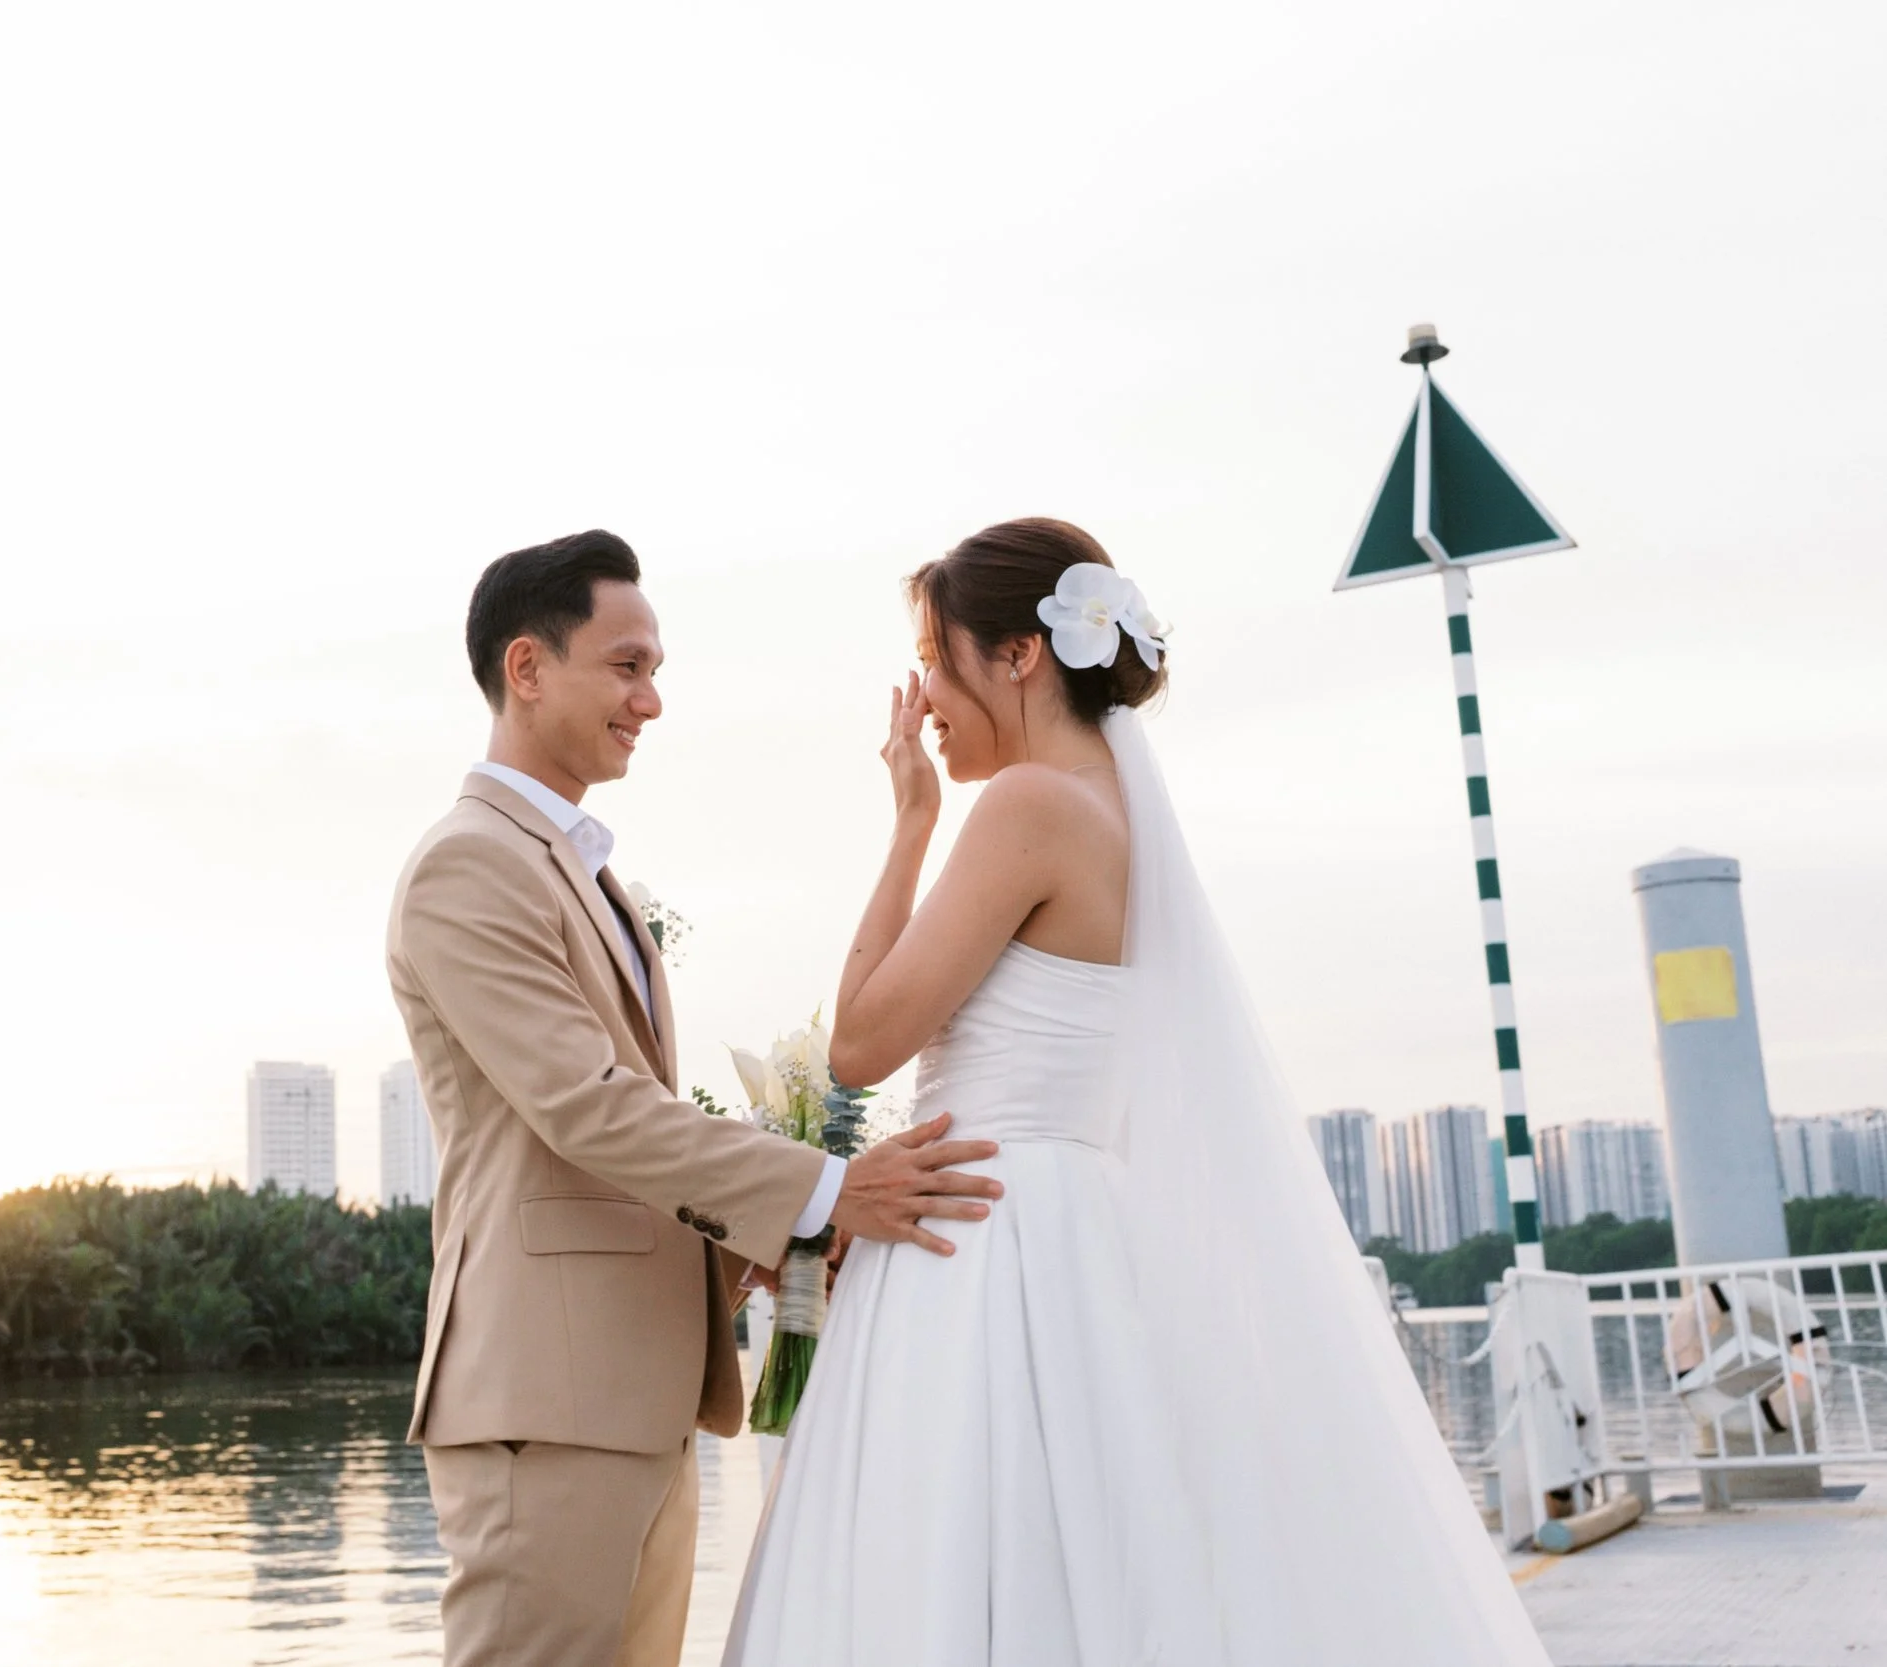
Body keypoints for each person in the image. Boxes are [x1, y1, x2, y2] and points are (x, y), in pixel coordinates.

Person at [722, 518, 1552, 1665]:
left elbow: (861, 1042)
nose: (922, 698)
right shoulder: (1115, 808)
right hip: (1074, 1231)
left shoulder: (1027, 805)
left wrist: (910, 822)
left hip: (981, 1232)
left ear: (1019, 653)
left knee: (948, 1560)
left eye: (932, 656)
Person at [384, 528, 1006, 1667]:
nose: (652, 700)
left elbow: (602, 1152)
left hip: (634, 1402)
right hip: (543, 1407)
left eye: (655, 670)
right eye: (627, 667)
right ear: (527, 667)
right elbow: (587, 1107)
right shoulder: (468, 863)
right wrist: (828, 1190)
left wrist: (751, 1246)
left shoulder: (584, 871)